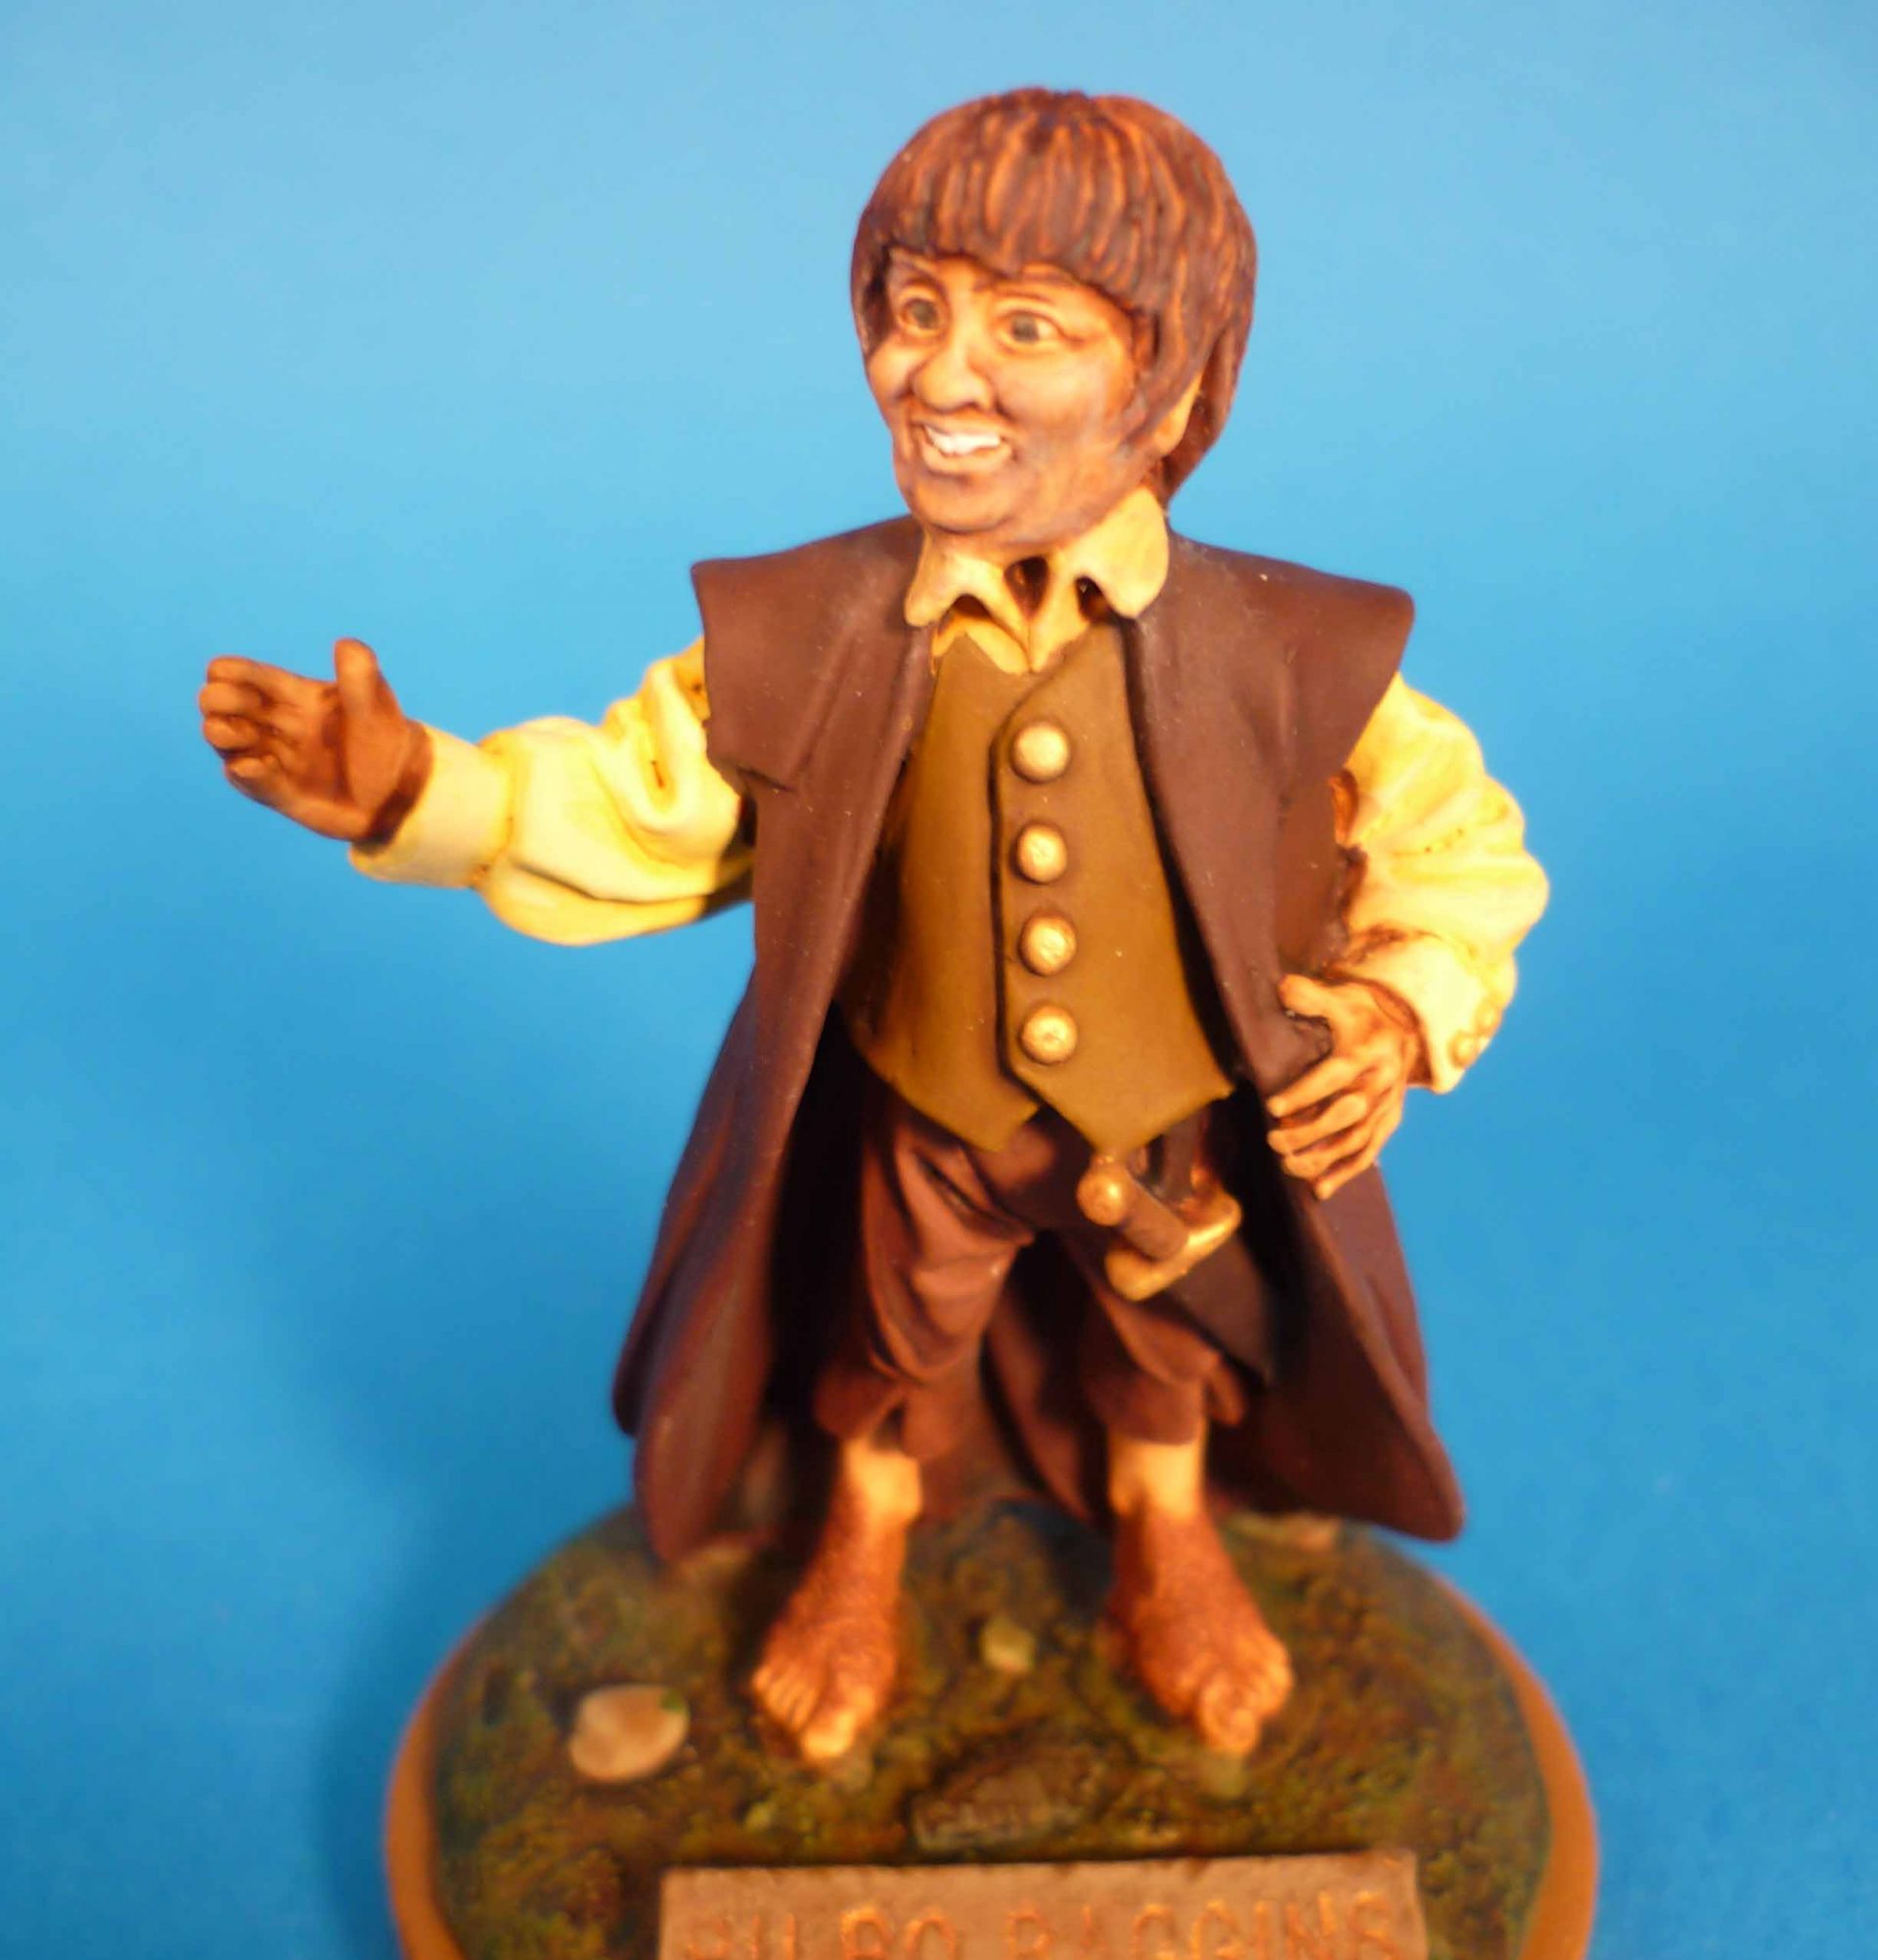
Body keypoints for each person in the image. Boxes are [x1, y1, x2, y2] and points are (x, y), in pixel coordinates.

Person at [198, 89, 1546, 1769]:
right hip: (927, 1114)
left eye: (1026, 327)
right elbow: (638, 803)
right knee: (892, 1331)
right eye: (915, 309)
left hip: (1172, 1119)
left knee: (1170, 1337)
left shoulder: (1291, 651)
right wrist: (420, 789)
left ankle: (1167, 1530)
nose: (939, 373)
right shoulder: (813, 633)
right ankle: (863, 1535)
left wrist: (1400, 1009)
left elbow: (1453, 842)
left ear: (1175, 383)